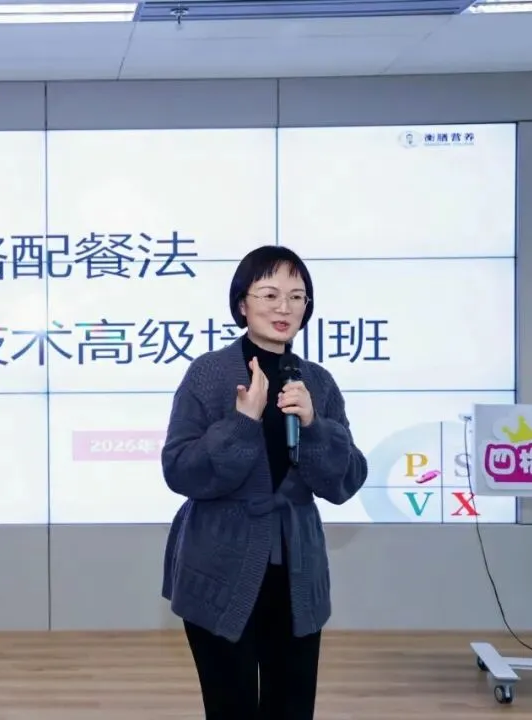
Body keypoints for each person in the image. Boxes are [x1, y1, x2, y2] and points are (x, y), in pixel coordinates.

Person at [160, 245, 369, 719]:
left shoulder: (317, 382)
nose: (284, 307)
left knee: (292, 708)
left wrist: (314, 425)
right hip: (220, 567)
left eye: (297, 296)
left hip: (297, 574)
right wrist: (241, 423)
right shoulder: (209, 374)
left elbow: (347, 481)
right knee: (230, 707)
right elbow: (179, 469)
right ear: (242, 304)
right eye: (270, 294)